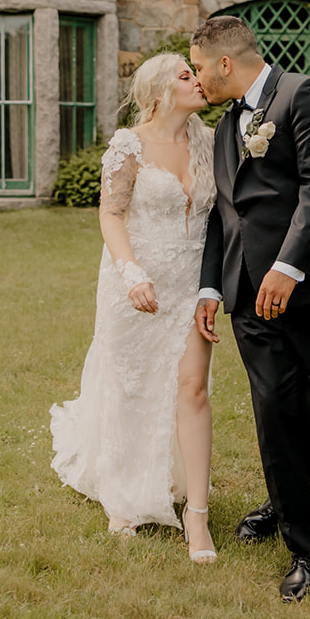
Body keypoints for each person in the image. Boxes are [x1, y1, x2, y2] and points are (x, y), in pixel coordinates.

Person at [191, 14, 310, 602]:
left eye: (199, 67)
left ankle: (279, 498)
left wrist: (288, 266)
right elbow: (226, 216)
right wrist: (210, 288)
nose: (197, 80)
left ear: (226, 62)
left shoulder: (305, 95)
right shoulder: (224, 129)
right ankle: (304, 546)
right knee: (273, 408)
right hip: (249, 295)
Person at [50, 53, 219, 563]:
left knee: (192, 389)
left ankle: (198, 515)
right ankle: (122, 496)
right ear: (160, 92)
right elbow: (111, 214)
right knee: (129, 385)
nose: (199, 81)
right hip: (136, 282)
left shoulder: (209, 143)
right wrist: (130, 273)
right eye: (187, 75)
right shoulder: (129, 145)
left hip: (191, 283)